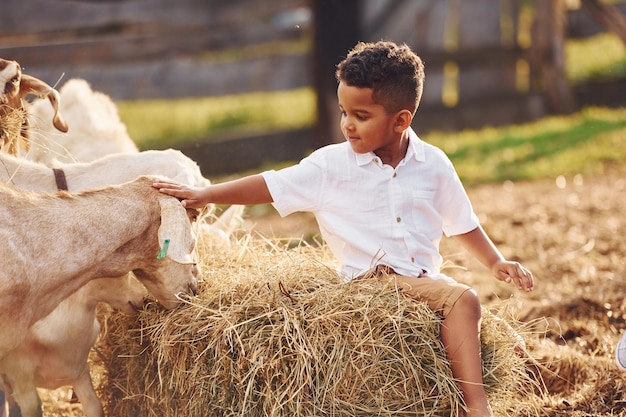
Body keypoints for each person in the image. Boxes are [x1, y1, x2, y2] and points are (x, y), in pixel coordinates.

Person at [153, 40, 534, 417]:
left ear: (401, 120)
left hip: (421, 281)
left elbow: (462, 221)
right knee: (464, 300)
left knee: (473, 313)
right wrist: (207, 194)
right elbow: (271, 184)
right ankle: (476, 409)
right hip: (372, 283)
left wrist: (494, 261)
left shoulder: (433, 164)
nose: (347, 125)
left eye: (361, 116)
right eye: (343, 112)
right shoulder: (331, 167)